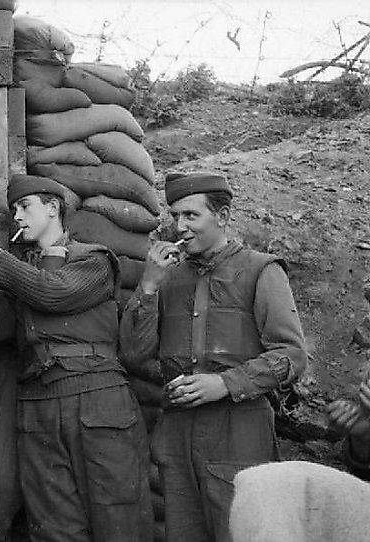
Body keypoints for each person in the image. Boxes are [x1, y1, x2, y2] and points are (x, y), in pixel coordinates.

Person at [0, 174, 153, 542]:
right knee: (52, 523)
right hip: (38, 401)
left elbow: (53, 294)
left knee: (118, 516)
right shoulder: (20, 267)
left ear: (53, 208)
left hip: (96, 394)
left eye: (25, 206)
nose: (16, 216)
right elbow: (0, 330)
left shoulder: (94, 259)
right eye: (13, 209)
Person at [121, 171, 308, 542]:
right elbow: (134, 354)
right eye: (176, 217)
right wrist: (148, 286)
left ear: (221, 217)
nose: (181, 227)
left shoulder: (261, 270)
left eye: (191, 216)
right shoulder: (168, 278)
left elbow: (291, 356)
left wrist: (223, 383)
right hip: (177, 431)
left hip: (239, 429)